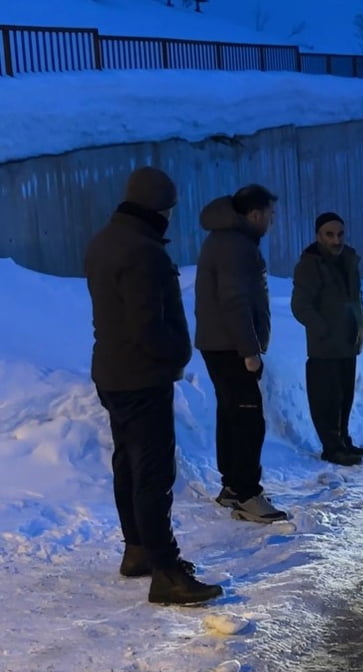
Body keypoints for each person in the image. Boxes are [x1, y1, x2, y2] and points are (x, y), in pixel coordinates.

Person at [84, 166, 223, 605]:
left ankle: (137, 549)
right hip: (143, 377)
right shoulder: (144, 253)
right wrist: (177, 353)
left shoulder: (103, 242)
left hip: (112, 372)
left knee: (127, 464)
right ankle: (166, 571)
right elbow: (149, 325)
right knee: (153, 473)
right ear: (158, 208)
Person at [194, 184, 289, 524]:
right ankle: (247, 492)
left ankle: (233, 486)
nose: (272, 221)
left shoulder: (226, 240)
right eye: (270, 215)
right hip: (230, 346)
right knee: (248, 419)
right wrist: (249, 351)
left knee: (232, 414)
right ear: (255, 214)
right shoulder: (236, 247)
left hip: (219, 343)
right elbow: (234, 301)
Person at [290, 212, 363, 467]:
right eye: (330, 235)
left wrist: (361, 322)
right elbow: (300, 305)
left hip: (348, 342)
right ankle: (331, 447)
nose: (336, 240)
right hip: (324, 347)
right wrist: (322, 328)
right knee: (326, 398)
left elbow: (356, 296)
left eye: (340, 234)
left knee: (345, 396)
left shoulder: (348, 260)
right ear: (318, 236)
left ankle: (343, 440)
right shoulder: (310, 265)